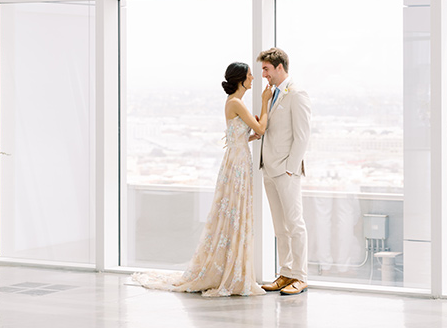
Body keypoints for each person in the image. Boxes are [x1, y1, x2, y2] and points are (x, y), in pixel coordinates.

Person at [132, 62, 273, 297]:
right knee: (235, 212)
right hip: (238, 163)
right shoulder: (237, 102)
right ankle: (231, 272)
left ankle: (230, 269)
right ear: (240, 79)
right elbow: (262, 127)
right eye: (249, 75)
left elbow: (237, 136)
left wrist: (249, 136)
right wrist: (265, 101)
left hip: (236, 159)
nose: (253, 78)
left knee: (233, 212)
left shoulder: (233, 103)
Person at [257, 48, 312, 295]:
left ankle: (300, 276)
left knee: (295, 223)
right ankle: (286, 272)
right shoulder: (271, 95)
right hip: (268, 169)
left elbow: (302, 136)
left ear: (280, 67)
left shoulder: (297, 94)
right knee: (280, 226)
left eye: (267, 69)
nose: (264, 75)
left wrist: (290, 170)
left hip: (286, 171)